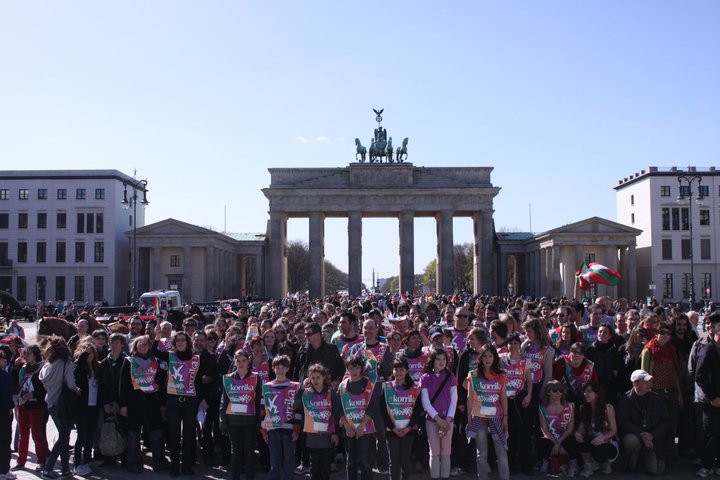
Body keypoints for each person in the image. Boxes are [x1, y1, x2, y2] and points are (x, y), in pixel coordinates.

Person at [152, 330, 207, 477]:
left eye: (183, 340)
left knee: (189, 435)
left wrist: (201, 400)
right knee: (174, 435)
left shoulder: (196, 358)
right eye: (178, 340)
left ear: (188, 342)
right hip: (173, 402)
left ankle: (187, 466)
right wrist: (158, 330)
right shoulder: (171, 356)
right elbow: (154, 350)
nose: (181, 342)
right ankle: (174, 467)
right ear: (175, 343)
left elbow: (198, 383)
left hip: (190, 402)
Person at [119, 335, 169, 473]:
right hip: (134, 403)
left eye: (145, 344)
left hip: (152, 402)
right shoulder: (128, 361)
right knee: (134, 434)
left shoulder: (155, 362)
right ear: (135, 346)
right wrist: (123, 405)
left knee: (156, 433)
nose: (142, 346)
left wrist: (162, 403)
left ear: (149, 346)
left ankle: (159, 461)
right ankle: (133, 463)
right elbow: (123, 384)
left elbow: (160, 381)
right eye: (139, 344)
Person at [465, 344, 509, 480]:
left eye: (490, 356)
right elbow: (470, 397)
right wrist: (469, 417)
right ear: (481, 358)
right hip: (478, 417)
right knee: (481, 453)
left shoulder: (502, 375)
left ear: (495, 358)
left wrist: (505, 417)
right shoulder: (473, 375)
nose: (488, 359)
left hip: (497, 417)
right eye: (485, 356)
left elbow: (503, 397)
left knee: (501, 451)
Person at [39, 336, 80, 479]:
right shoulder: (65, 364)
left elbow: (43, 380)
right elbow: (71, 384)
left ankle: (65, 469)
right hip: (64, 404)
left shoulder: (47, 365)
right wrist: (77, 391)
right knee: (63, 438)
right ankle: (48, 468)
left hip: (51, 402)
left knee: (64, 436)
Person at [641, 325, 681, 465]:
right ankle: (656, 457)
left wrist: (679, 394)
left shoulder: (671, 349)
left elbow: (675, 373)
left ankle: (668, 458)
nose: (665, 335)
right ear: (656, 333)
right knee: (656, 426)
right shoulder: (648, 350)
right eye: (662, 332)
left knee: (671, 425)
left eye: (668, 333)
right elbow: (644, 374)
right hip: (654, 393)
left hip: (670, 391)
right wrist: (647, 393)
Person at [219, 349, 263, 480]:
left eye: (244, 360)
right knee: (236, 452)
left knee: (249, 452)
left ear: (248, 361)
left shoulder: (255, 378)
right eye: (238, 361)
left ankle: (250, 477)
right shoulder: (228, 378)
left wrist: (259, 421)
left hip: (250, 421)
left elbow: (258, 400)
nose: (241, 363)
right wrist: (222, 420)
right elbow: (224, 401)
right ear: (234, 361)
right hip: (233, 421)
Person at [616, 369, 669, 475]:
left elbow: (665, 422)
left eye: (649, 381)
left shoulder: (657, 399)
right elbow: (623, 423)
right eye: (645, 381)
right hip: (636, 436)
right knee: (630, 441)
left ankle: (644, 459)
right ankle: (632, 464)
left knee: (657, 470)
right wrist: (641, 434)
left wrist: (652, 435)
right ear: (635, 383)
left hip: (652, 440)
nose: (649, 384)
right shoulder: (626, 400)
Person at [293, 363, 341, 480]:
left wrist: (336, 433)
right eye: (312, 377)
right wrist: (301, 389)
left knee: (326, 466)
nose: (315, 380)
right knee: (314, 466)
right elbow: (295, 405)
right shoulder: (306, 393)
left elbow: (337, 414)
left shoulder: (331, 393)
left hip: (327, 435)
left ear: (324, 377)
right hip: (312, 436)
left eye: (318, 377)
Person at [338, 355, 380, 480]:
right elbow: (339, 409)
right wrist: (347, 427)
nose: (354, 371)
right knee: (351, 461)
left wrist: (362, 426)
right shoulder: (342, 386)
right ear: (347, 369)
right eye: (351, 368)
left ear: (361, 368)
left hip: (365, 429)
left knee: (365, 461)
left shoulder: (368, 384)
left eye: (356, 367)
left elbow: (372, 407)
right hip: (349, 429)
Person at [382, 357, 423, 480]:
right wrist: (393, 428)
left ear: (406, 371)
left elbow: (417, 410)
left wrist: (409, 428)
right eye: (396, 369)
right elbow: (383, 411)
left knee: (405, 461)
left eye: (401, 369)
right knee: (393, 462)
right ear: (392, 371)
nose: (398, 372)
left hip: (409, 431)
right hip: (391, 431)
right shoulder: (386, 387)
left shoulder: (415, 388)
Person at [420, 348, 457, 480]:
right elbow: (425, 402)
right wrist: (438, 419)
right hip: (431, 420)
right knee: (434, 452)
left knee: (446, 452)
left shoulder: (451, 377)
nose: (441, 362)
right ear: (432, 360)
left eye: (443, 359)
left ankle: (445, 476)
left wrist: (448, 419)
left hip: (448, 420)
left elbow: (454, 399)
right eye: (438, 359)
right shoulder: (425, 378)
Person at [260, 355, 299, 480]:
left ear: (288, 368)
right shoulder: (267, 387)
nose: (280, 370)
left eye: (283, 367)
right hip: (272, 429)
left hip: (289, 428)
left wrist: (296, 430)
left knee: (289, 458)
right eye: (278, 367)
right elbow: (263, 410)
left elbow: (298, 410)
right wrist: (263, 430)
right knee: (274, 459)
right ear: (273, 368)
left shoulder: (295, 386)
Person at [500, 332, 534, 475]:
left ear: (519, 345)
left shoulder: (525, 360)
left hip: (521, 400)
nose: (513, 346)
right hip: (505, 401)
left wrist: (529, 396)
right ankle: (510, 467)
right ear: (507, 345)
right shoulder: (501, 360)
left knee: (525, 435)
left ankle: (527, 467)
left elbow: (529, 380)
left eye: (516, 343)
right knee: (509, 435)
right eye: (511, 343)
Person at [11, 344, 48, 472]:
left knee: (37, 433)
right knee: (23, 433)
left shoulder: (42, 367)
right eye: (24, 353)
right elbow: (13, 378)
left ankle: (41, 461)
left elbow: (45, 388)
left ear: (35, 355)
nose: (25, 356)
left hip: (37, 405)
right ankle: (21, 461)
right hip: (23, 404)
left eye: (29, 353)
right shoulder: (22, 368)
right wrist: (15, 365)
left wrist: (32, 394)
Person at [575, 382, 618, 477]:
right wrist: (577, 433)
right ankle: (588, 466)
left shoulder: (608, 408)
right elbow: (581, 429)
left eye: (589, 391)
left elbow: (614, 430)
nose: (585, 394)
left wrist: (602, 438)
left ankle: (605, 464)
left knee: (600, 452)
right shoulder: (584, 408)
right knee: (582, 439)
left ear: (597, 393)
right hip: (593, 441)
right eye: (585, 392)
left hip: (608, 442)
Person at [97, 333, 128, 467]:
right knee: (108, 430)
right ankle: (110, 458)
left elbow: (129, 385)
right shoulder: (104, 362)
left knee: (123, 430)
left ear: (122, 344)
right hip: (108, 402)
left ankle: (125, 458)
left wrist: (123, 404)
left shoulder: (127, 361)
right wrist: (104, 403)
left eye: (117, 342)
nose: (114, 345)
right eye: (112, 342)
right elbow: (101, 385)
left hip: (122, 402)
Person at [694, 320, 720, 478]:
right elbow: (700, 376)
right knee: (711, 433)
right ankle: (706, 465)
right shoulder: (707, 349)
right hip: (711, 400)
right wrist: (712, 397)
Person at [537, 380, 579, 476]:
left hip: (564, 437)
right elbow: (544, 430)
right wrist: (555, 443)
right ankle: (546, 461)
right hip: (551, 438)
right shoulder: (542, 407)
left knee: (572, 440)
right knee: (542, 442)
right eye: (555, 390)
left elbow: (570, 428)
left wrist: (558, 443)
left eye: (560, 390)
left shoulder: (570, 406)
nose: (558, 393)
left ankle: (573, 462)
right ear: (548, 392)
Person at [72, 341, 100, 476]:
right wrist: (84, 354)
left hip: (94, 406)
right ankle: (77, 463)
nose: (89, 354)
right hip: (82, 407)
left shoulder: (97, 368)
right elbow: (76, 367)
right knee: (81, 436)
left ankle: (87, 460)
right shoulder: (79, 368)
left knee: (90, 436)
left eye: (91, 352)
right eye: (86, 352)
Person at [0, 348, 16, 480]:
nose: (5, 361)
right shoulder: (3, 376)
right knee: (5, 442)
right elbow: (6, 396)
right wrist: (11, 406)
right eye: (3, 359)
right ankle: (4, 471)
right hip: (3, 413)